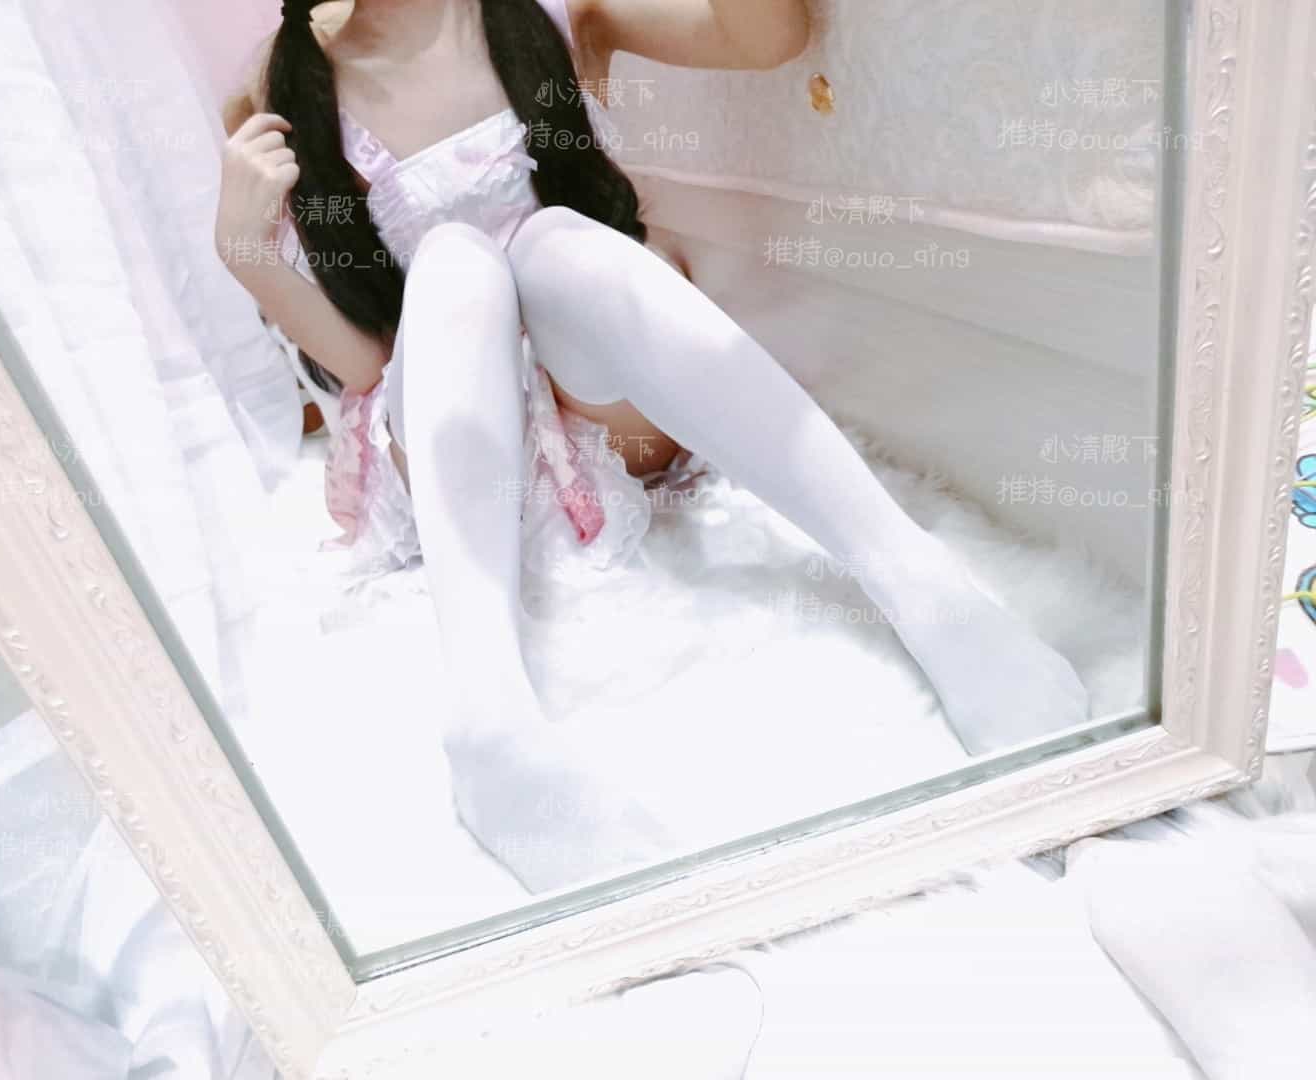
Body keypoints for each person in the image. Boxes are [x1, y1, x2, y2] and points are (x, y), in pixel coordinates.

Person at [215, 0, 1089, 894]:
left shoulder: (557, 16)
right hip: (451, 445)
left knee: (556, 244)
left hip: (600, 411)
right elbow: (374, 366)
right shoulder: (283, 85)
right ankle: (490, 717)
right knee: (453, 263)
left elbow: (770, 39)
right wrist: (245, 252)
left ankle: (922, 584)